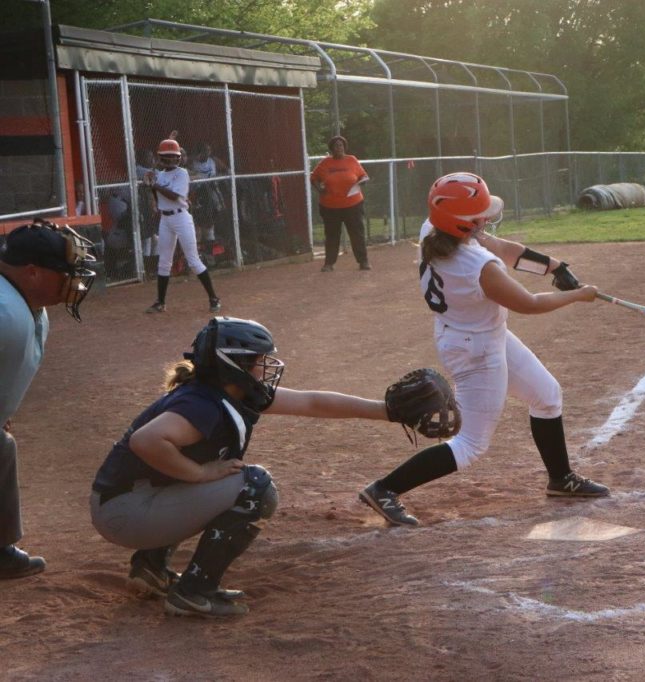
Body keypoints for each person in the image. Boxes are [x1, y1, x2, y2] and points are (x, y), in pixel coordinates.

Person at [90, 316, 402, 617]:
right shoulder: (202, 405)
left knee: (209, 471)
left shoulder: (228, 393)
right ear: (234, 365)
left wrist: (387, 411)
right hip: (127, 512)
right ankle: (194, 593)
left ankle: (151, 567)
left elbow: (311, 402)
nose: (267, 366)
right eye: (259, 360)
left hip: (128, 503)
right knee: (253, 486)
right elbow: (146, 441)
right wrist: (199, 473)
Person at [358, 172, 606, 528]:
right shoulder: (478, 268)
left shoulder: (434, 231)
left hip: (475, 333)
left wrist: (553, 266)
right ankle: (385, 488)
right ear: (463, 224)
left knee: (547, 395)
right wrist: (579, 295)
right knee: (471, 444)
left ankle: (561, 478)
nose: (485, 220)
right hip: (475, 349)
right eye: (479, 217)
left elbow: (499, 246)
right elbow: (530, 303)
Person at [1, 219, 97, 579]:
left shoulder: (24, 305)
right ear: (32, 273)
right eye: (65, 272)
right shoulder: (5, 313)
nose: (75, 280)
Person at [143, 133, 222, 313]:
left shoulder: (182, 173)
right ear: (161, 158)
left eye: (173, 157)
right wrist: (150, 184)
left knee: (193, 260)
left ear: (178, 158)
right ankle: (160, 302)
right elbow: (158, 197)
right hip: (165, 219)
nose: (171, 160)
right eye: (167, 157)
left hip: (181, 218)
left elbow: (174, 196)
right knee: (164, 262)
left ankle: (213, 298)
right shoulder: (160, 175)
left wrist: (155, 185)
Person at [309, 135, 370, 272]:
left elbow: (363, 176)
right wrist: (319, 189)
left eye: (341, 145)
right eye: (336, 145)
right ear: (331, 149)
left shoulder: (352, 160)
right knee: (332, 235)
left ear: (345, 147)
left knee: (357, 234)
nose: (339, 148)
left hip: (353, 205)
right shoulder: (325, 163)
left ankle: (363, 261)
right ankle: (329, 263)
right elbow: (313, 178)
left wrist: (363, 181)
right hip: (330, 207)